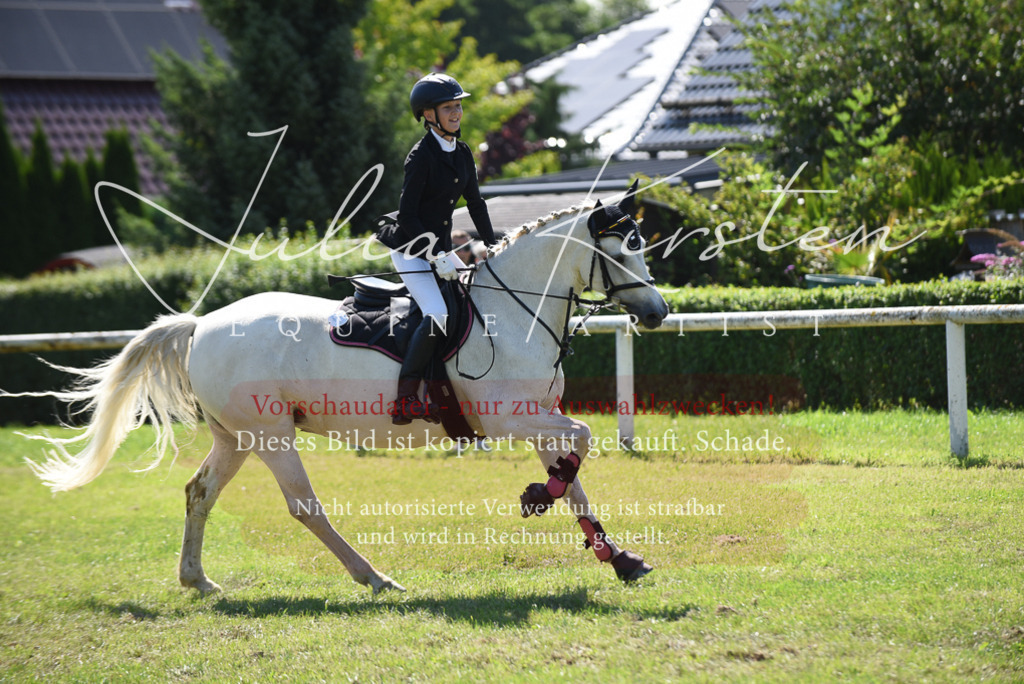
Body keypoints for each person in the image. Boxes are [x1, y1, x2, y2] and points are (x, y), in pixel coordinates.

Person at [376, 73, 497, 425]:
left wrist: (495, 244)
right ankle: (406, 400)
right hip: (412, 250)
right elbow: (410, 216)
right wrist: (435, 254)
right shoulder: (420, 156)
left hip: (442, 252)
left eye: (458, 105)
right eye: (449, 107)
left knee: (471, 307)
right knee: (438, 314)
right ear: (428, 115)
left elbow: (475, 203)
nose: (457, 112)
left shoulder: (462, 152)